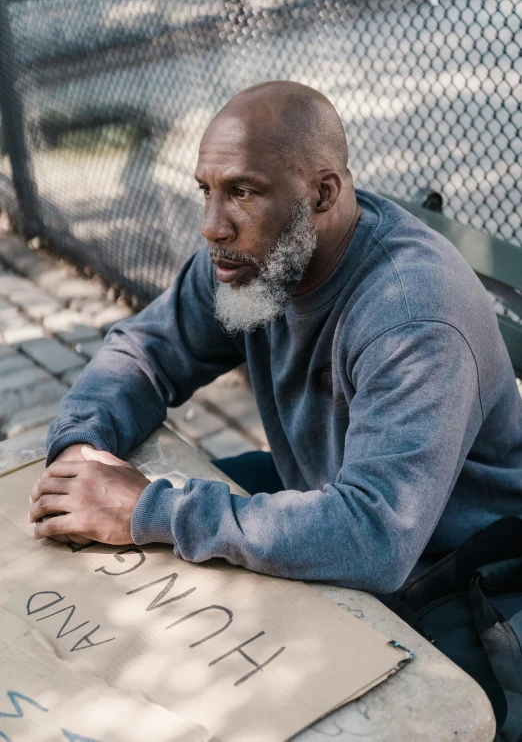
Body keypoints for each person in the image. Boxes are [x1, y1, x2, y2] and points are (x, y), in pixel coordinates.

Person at [29, 81, 522, 595]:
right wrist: (82, 447)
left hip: (453, 567)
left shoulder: (412, 318)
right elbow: (143, 352)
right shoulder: (254, 255)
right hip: (321, 494)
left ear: (323, 194)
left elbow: (374, 538)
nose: (212, 227)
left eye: (242, 192)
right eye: (206, 190)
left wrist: (146, 509)